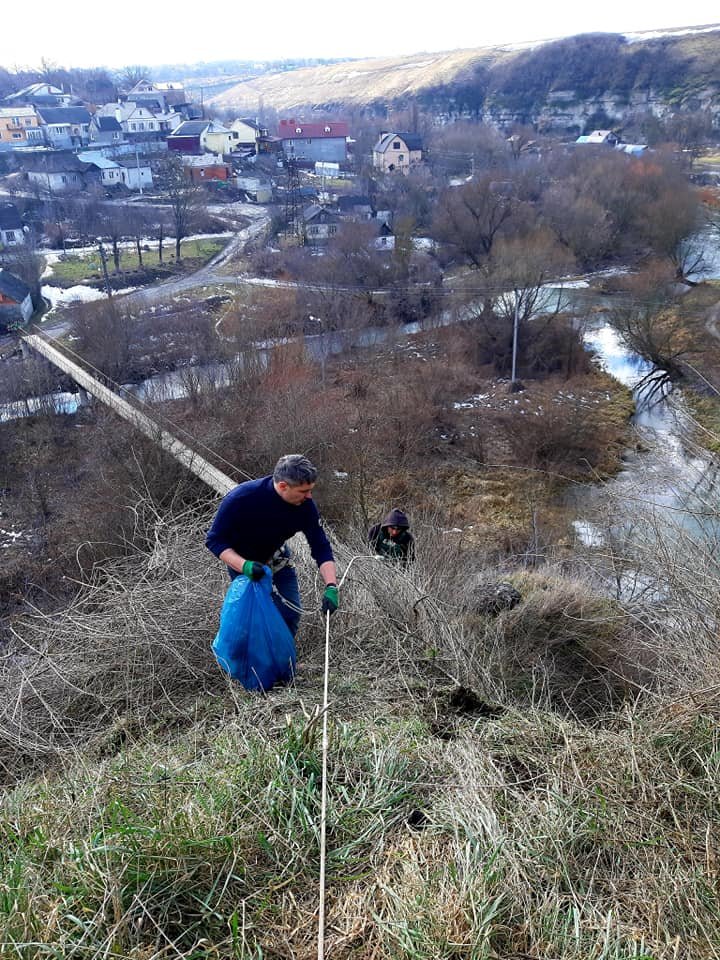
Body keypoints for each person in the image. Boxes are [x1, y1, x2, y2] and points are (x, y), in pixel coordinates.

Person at [206, 454, 339, 637]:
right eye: (303, 491)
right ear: (283, 486)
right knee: (252, 621)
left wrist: (331, 586)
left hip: (278, 561)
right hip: (243, 565)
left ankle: (284, 659)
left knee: (290, 614)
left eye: (310, 490)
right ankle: (253, 662)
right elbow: (214, 540)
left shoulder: (305, 507)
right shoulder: (241, 498)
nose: (309, 496)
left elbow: (320, 546)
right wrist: (245, 566)